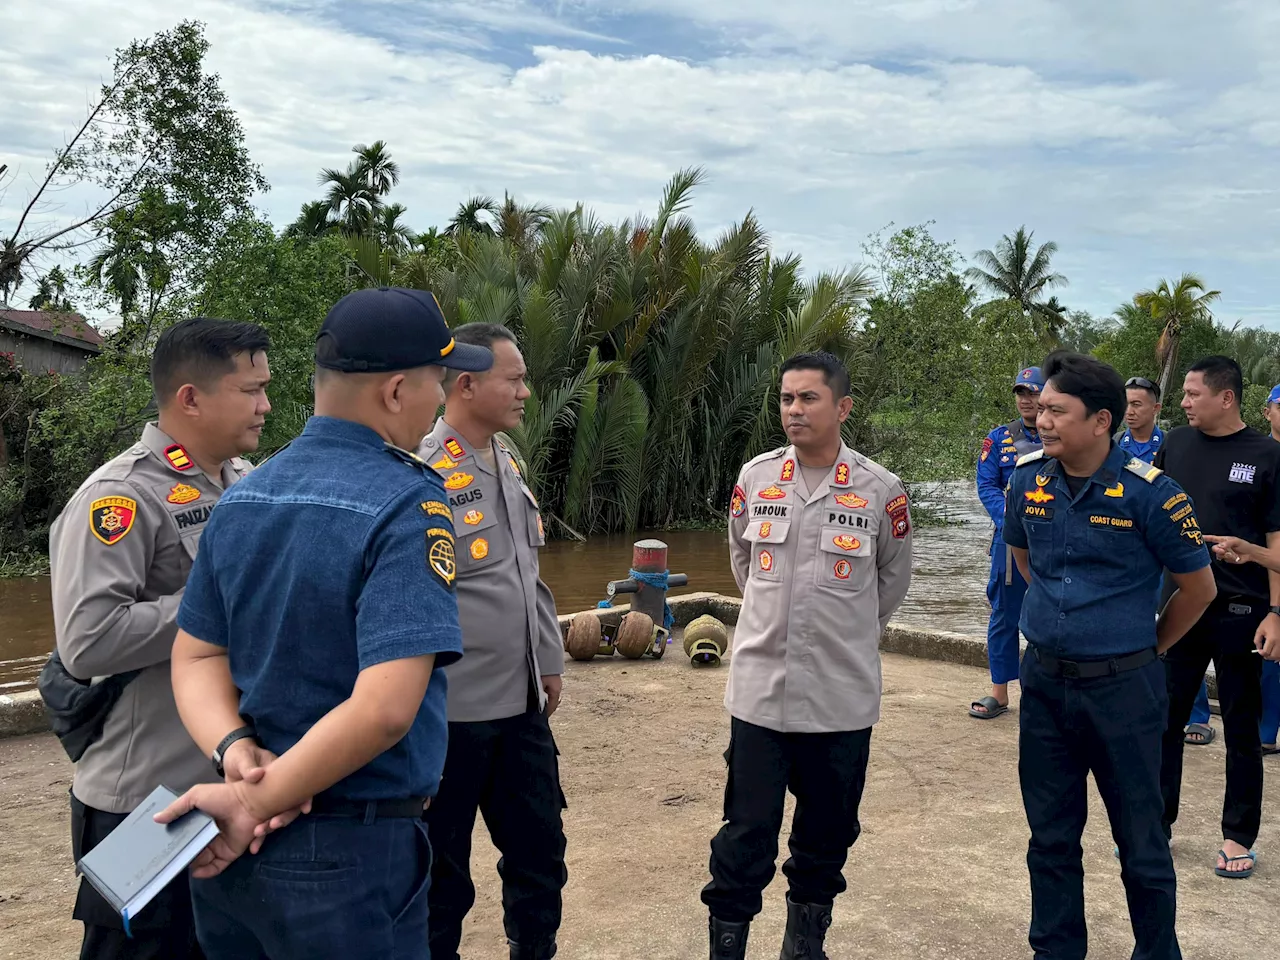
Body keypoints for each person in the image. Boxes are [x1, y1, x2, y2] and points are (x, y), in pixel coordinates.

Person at [152, 287, 494, 959]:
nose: (441, 400)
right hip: (349, 851)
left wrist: (233, 752)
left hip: (234, 850)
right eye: (439, 381)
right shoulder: (408, 502)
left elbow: (194, 657)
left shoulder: (243, 495)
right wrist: (255, 801)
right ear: (397, 391)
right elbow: (385, 710)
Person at [45, 317, 270, 960]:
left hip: (232, 781)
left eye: (266, 387)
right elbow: (88, 641)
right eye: (250, 390)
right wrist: (218, 603)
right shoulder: (120, 496)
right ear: (190, 398)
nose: (266, 404)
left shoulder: (244, 481)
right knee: (137, 951)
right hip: (147, 796)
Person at [1003, 350, 1216, 960]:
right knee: (1050, 839)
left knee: (1141, 843)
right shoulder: (1026, 480)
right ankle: (1056, 950)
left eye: (1056, 411)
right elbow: (1028, 565)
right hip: (1044, 685)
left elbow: (1197, 588)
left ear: (1101, 421)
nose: (1041, 420)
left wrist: (1146, 647)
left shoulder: (1152, 494)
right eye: (1040, 408)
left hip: (1124, 692)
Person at [702, 351, 913, 960]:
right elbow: (745, 568)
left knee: (827, 835)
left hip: (840, 700)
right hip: (760, 697)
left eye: (808, 399)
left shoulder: (881, 491)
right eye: (787, 399)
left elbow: (890, 584)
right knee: (745, 835)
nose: (794, 410)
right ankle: (727, 946)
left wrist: (836, 632)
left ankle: (803, 946)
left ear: (842, 407)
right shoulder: (756, 478)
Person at [415, 323, 567, 960]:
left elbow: (524, 575)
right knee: (440, 877)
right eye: (515, 378)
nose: (526, 392)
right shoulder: (421, 471)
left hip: (521, 707)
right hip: (451, 716)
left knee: (540, 854)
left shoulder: (506, 460)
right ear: (467, 385)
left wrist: (550, 660)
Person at [1154, 356, 1280, 879]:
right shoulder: (1175, 445)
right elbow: (1148, 515)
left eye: (1192, 394)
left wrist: (1276, 611)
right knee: (1163, 720)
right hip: (1180, 605)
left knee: (1242, 729)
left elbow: (1276, 539)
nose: (1183, 403)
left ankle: (1237, 836)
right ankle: (1156, 826)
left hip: (1242, 609)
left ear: (1225, 398)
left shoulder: (1268, 456)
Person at [971, 365, 1044, 719]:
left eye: (1033, 392)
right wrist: (1012, 523)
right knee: (1004, 614)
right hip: (1008, 540)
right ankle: (999, 693)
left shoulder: (1063, 434)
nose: (1026, 400)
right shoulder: (999, 438)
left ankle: (1041, 693)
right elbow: (986, 485)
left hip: (1053, 538)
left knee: (1052, 612)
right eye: (1021, 392)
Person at [1118, 375, 1165, 464]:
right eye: (1125, 404)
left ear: (1155, 408)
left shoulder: (1169, 445)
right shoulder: (1114, 444)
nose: (1129, 412)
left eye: (1136, 404)